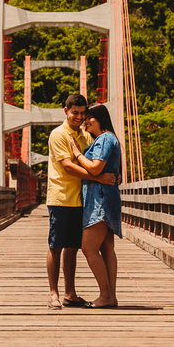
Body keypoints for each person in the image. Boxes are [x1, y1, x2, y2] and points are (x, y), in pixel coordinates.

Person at [46, 93, 116, 309]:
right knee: (56, 246)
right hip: (62, 196)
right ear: (66, 111)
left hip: (83, 200)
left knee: (73, 248)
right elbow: (68, 166)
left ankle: (70, 294)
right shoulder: (58, 135)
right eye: (75, 113)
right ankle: (53, 294)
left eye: (83, 113)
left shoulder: (87, 136)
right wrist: (98, 177)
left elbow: (98, 159)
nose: (79, 117)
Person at [68, 103, 122, 309]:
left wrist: (77, 152)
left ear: (101, 119)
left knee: (88, 248)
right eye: (84, 116)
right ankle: (111, 296)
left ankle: (106, 295)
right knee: (107, 248)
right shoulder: (107, 139)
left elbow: (95, 166)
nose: (85, 121)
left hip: (100, 201)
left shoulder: (105, 138)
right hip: (107, 198)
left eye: (90, 117)